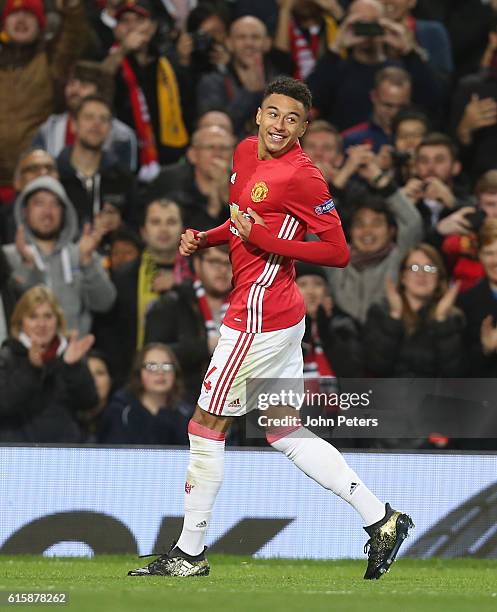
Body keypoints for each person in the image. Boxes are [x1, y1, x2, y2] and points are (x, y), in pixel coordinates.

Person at [127, 77, 413, 580]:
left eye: (293, 119)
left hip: (258, 314)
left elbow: (338, 251)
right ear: (258, 115)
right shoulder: (242, 153)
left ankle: (189, 553)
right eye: (274, 114)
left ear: (304, 127)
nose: (281, 126)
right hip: (278, 314)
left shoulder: (304, 176)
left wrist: (268, 240)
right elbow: (244, 223)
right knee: (284, 430)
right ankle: (381, 518)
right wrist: (208, 237)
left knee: (205, 426)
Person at [93, 198, 190, 385]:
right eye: (156, 222)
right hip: (132, 379)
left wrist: (182, 285)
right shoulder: (121, 277)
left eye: (171, 222)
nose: (163, 229)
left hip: (187, 381)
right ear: (143, 232)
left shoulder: (197, 275)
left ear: (182, 231)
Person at [3, 176, 116, 334]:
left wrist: (88, 263)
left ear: (65, 212)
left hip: (73, 353)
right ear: (24, 211)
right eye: (39, 203)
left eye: (55, 204)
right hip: (22, 356)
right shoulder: (7, 257)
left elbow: (105, 303)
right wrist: (27, 266)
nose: (47, 211)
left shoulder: (81, 253)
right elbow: (9, 310)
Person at [0, 0, 88, 194]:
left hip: (38, 176)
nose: (21, 20)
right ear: (4, 23)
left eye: (29, 14)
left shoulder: (51, 60)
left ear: (41, 24)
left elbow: (73, 38)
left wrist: (72, 8)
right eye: (15, 14)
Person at [0, 285, 97, 442]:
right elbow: (3, 404)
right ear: (20, 322)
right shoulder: (7, 357)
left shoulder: (69, 355)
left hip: (64, 452)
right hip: (18, 455)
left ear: (57, 321)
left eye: (48, 316)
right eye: (33, 317)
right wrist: (31, 368)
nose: (41, 324)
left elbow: (89, 402)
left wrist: (73, 367)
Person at [145, 245, 232, 406]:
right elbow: (151, 355)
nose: (222, 270)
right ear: (197, 264)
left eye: (229, 264)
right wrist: (204, 347)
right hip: (181, 406)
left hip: (236, 407)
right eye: (214, 262)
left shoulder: (249, 306)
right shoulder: (171, 304)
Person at [364, 243, 464, 378]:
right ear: (403, 276)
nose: (421, 274)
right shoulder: (381, 312)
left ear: (439, 278)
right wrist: (395, 316)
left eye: (429, 268)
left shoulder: (453, 318)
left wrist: (441, 320)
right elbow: (376, 366)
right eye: (414, 267)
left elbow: (454, 374)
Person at [32, 60, 138, 172]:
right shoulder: (50, 128)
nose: (75, 90)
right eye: (71, 83)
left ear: (101, 90)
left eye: (84, 85)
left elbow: (124, 181)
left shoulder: (121, 135)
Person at [196, 15, 292, 137]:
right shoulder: (212, 83)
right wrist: (250, 94)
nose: (249, 43)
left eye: (255, 37)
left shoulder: (285, 86)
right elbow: (216, 130)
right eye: (241, 37)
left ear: (267, 43)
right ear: (229, 43)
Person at [56, 94, 138, 230]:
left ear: (110, 129)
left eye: (104, 119)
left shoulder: (124, 179)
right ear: (73, 125)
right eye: (89, 117)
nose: (96, 124)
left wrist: (120, 227)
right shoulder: (54, 175)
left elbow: (136, 229)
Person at [141, 125, 234, 230]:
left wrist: (226, 197)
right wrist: (213, 205)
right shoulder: (170, 181)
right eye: (210, 147)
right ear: (192, 155)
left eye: (224, 148)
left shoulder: (246, 184)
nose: (217, 154)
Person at [99, 342, 190, 444]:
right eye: (152, 366)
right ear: (139, 372)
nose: (160, 372)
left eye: (166, 366)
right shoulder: (120, 411)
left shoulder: (186, 414)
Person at [458, 218, 497, 377]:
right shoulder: (465, 302)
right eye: (489, 253)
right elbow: (459, 370)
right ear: (480, 255)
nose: (496, 261)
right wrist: (485, 350)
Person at [342, 66, 412, 153]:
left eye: (402, 106)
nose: (395, 113)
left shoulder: (419, 139)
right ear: (374, 96)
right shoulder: (351, 139)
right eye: (388, 105)